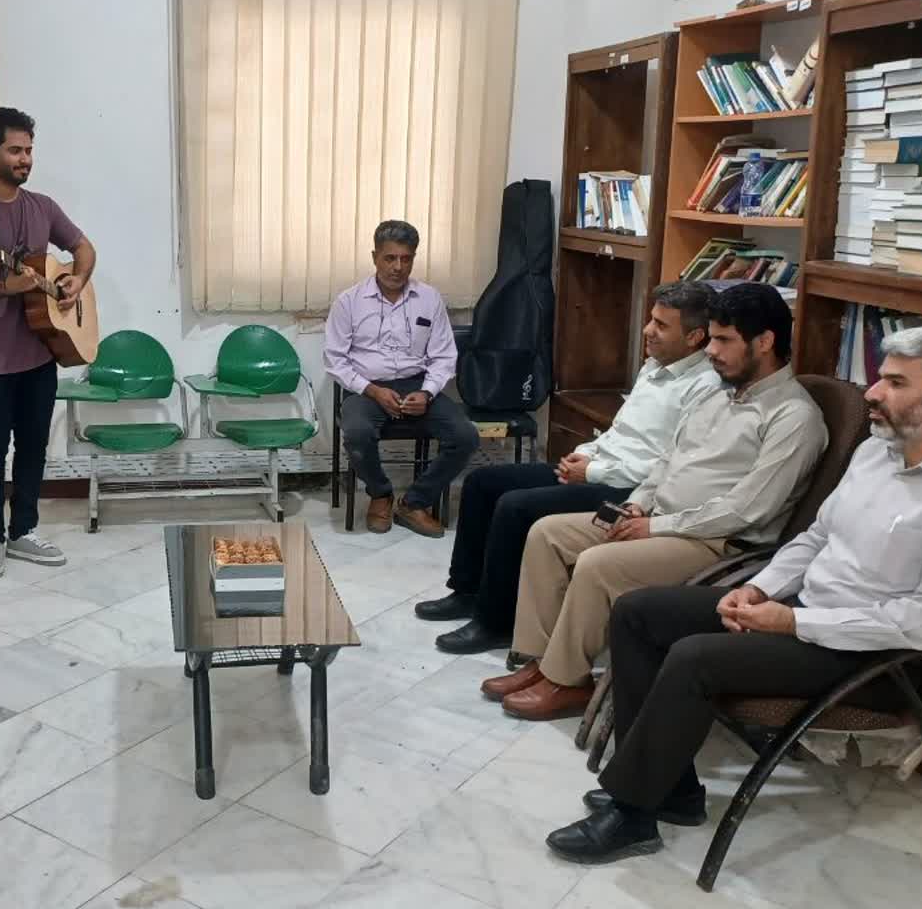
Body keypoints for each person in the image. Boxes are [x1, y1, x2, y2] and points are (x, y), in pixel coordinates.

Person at [547, 325, 922, 863]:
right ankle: (671, 790)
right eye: (880, 379)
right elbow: (817, 537)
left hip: (878, 657)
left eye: (896, 383)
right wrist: (758, 589)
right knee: (640, 612)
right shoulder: (878, 453)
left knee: (695, 658)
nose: (872, 393)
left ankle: (633, 813)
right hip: (803, 613)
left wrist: (793, 623)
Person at [483, 283, 827, 721]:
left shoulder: (794, 418)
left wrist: (655, 527)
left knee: (597, 564)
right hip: (658, 518)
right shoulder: (718, 393)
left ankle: (566, 681)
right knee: (547, 534)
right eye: (711, 338)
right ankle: (541, 661)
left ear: (764, 342)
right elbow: (670, 458)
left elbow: (747, 510)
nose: (711, 351)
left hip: (717, 543)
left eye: (724, 340)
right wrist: (640, 503)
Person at [420, 282, 721, 652]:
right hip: (599, 468)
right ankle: (467, 591)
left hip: (627, 491)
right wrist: (583, 454)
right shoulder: (654, 366)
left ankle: (496, 622)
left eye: (661, 325)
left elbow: (666, 464)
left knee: (515, 507)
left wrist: (590, 472)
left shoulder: (706, 388)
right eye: (651, 320)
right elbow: (621, 432)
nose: (647, 330)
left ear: (694, 337)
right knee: (483, 482)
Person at [0, 106, 97, 579]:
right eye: (15, 150)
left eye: (28, 150)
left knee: (33, 446)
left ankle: (24, 530)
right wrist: (4, 286)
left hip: (40, 350)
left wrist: (75, 281)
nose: (25, 159)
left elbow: (84, 249)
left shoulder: (42, 207)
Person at [324, 220, 475, 538]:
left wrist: (428, 392)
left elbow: (444, 356)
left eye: (406, 259)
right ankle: (380, 494)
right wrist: (373, 391)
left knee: (465, 436)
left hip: (417, 385)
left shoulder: (429, 298)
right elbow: (335, 360)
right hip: (366, 389)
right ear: (375, 257)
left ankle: (414, 502)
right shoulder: (349, 301)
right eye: (390, 258)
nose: (398, 267)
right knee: (357, 433)